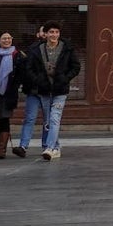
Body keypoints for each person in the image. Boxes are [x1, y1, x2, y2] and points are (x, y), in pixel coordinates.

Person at [24, 21, 82, 161]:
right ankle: (55, 147)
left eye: (56, 32)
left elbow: (76, 66)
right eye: (51, 32)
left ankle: (50, 148)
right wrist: (38, 80)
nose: (54, 35)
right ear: (46, 34)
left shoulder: (67, 48)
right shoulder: (38, 49)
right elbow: (29, 68)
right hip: (44, 89)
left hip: (60, 90)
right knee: (48, 120)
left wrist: (65, 78)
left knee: (55, 118)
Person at [14, 25, 47, 157]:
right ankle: (23, 146)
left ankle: (47, 146)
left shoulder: (58, 48)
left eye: (48, 31)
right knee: (29, 118)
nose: (45, 34)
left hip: (48, 90)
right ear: (38, 34)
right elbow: (27, 68)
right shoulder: (32, 48)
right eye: (43, 31)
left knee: (48, 121)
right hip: (33, 89)